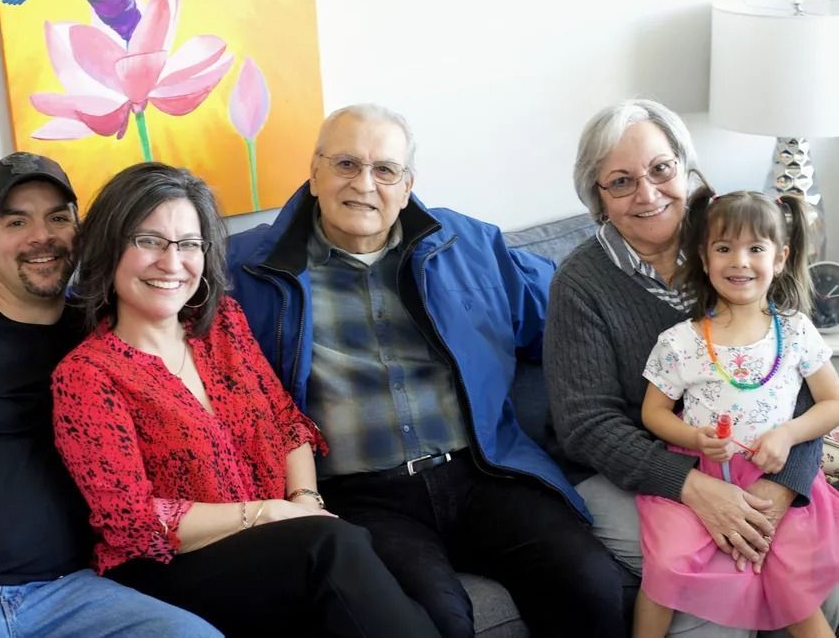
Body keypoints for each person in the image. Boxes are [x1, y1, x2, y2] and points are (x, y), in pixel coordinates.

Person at [225, 103, 626, 638]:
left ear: (407, 183)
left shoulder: (471, 247)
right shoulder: (246, 269)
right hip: (361, 497)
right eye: (345, 164)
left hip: (484, 472)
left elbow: (572, 321)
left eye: (384, 170)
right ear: (315, 172)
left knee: (590, 584)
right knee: (434, 621)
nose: (364, 184)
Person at [50, 162, 437, 638]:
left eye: (189, 244)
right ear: (109, 250)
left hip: (278, 544)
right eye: (148, 241)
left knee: (370, 567)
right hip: (168, 569)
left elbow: (285, 422)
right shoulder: (87, 376)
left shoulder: (222, 326)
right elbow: (130, 520)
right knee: (332, 545)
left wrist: (304, 499)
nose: (172, 263)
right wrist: (269, 514)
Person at [0, 152, 218, 638]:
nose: (42, 236)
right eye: (16, 221)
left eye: (58, 217)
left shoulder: (101, 334)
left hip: (78, 594)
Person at [546, 98, 839, 637]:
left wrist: (785, 485)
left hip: (756, 463)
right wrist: (691, 486)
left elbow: (795, 381)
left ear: (685, 167)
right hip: (636, 471)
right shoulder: (580, 285)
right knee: (714, 599)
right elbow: (587, 425)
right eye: (621, 181)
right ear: (597, 198)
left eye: (661, 169)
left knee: (818, 581)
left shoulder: (738, 247)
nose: (648, 193)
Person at [634, 189, 839, 636]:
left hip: (774, 475)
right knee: (666, 564)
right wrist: (694, 439)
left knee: (790, 575)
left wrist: (786, 435)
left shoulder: (796, 331)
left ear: (780, 257)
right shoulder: (680, 341)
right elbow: (654, 413)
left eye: (755, 249)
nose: (739, 261)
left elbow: (833, 403)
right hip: (699, 478)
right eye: (724, 248)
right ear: (705, 259)